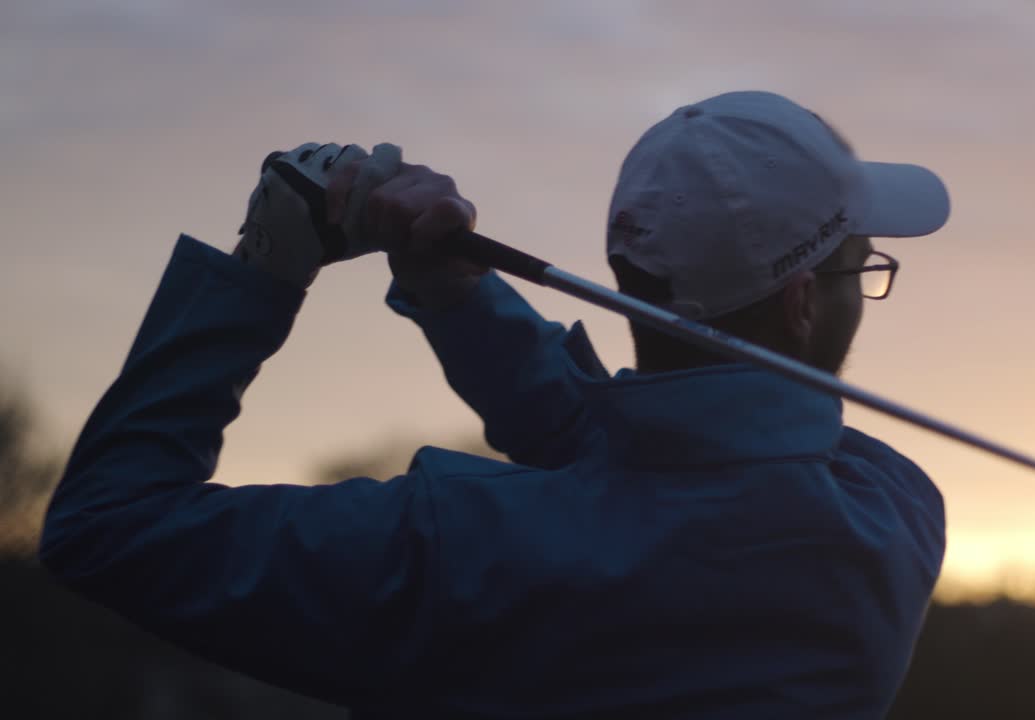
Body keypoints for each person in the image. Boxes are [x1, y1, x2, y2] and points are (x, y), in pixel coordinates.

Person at [40, 90, 949, 719]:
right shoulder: (893, 509)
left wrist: (266, 266)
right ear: (797, 301)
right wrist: (457, 293)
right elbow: (644, 460)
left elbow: (111, 523)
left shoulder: (452, 549)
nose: (858, 286)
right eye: (858, 268)